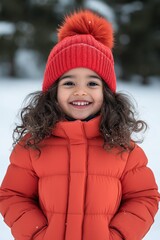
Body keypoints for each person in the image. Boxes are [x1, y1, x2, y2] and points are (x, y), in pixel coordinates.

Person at [0, 9, 159, 240]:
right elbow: (13, 195)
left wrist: (119, 235)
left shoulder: (124, 148)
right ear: (53, 92)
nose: (80, 90)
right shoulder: (32, 146)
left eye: (92, 83)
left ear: (106, 93)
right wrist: (37, 235)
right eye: (69, 82)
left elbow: (144, 196)